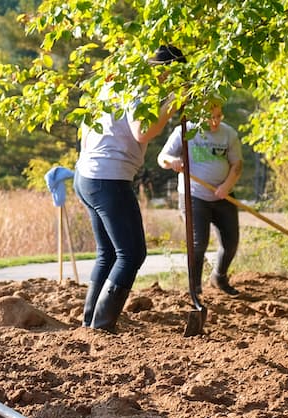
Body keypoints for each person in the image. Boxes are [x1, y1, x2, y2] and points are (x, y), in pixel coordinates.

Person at [73, 45, 183, 332]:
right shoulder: (141, 89)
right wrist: (173, 101)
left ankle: (91, 323)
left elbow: (86, 131)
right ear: (166, 71)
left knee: (108, 253)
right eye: (174, 76)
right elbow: (142, 131)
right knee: (131, 254)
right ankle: (101, 326)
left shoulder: (115, 83)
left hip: (87, 174)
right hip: (107, 178)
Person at [157, 98, 244, 295]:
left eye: (218, 116)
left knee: (231, 242)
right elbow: (162, 157)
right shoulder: (185, 131)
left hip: (223, 195)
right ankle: (194, 288)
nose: (215, 122)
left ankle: (219, 277)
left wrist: (225, 186)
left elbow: (237, 165)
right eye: (210, 117)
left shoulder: (228, 133)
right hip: (194, 195)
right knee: (199, 243)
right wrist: (173, 161)